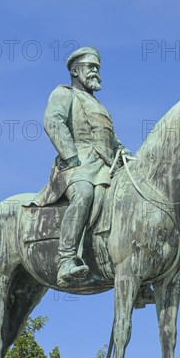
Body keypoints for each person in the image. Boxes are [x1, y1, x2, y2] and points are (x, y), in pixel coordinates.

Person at [36, 47, 130, 285]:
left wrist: (125, 153)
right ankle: (66, 259)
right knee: (84, 194)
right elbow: (53, 121)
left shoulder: (99, 105)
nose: (96, 71)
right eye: (91, 67)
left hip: (106, 166)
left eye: (97, 68)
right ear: (76, 71)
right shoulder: (64, 93)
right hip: (77, 165)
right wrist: (70, 155)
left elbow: (111, 139)